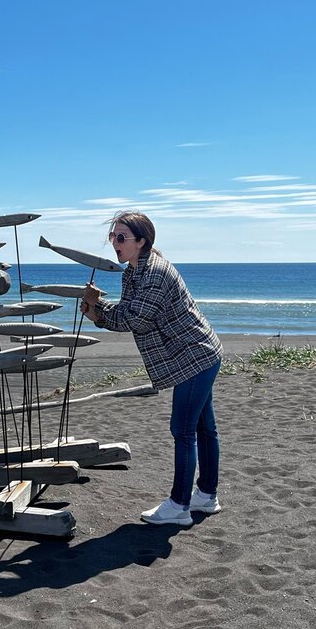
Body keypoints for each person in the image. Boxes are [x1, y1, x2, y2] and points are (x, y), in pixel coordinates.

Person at [81, 212, 223, 527]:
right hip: (198, 352)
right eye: (112, 237)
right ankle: (207, 496)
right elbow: (128, 311)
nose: (115, 243)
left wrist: (96, 312)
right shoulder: (133, 272)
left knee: (183, 430)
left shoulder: (154, 273)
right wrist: (99, 308)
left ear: (141, 241)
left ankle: (179, 506)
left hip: (194, 357)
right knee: (203, 429)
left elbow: (136, 320)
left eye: (121, 237)